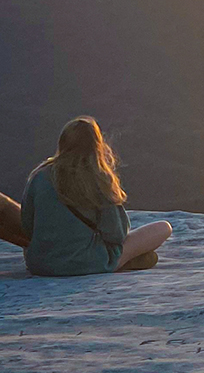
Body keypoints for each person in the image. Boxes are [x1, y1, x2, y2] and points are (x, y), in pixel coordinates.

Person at [21, 117, 171, 276]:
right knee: (163, 228)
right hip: (87, 263)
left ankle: (127, 262)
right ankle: (122, 262)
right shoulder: (98, 179)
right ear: (97, 145)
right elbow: (116, 234)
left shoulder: (39, 177)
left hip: (41, 264)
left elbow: (27, 225)